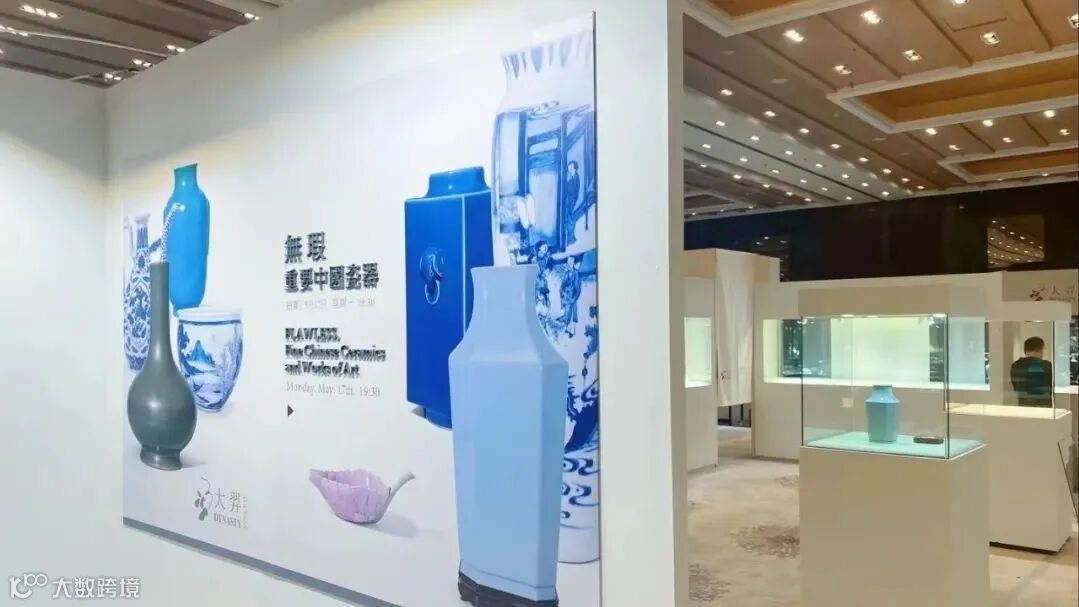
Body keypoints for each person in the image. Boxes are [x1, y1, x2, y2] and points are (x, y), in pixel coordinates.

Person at [1010, 336, 1053, 407]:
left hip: (1023, 405)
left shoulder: (1015, 365)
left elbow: (1016, 387)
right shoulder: (1046, 365)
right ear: (1040, 349)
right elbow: (1051, 387)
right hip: (1043, 406)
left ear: (1025, 350)